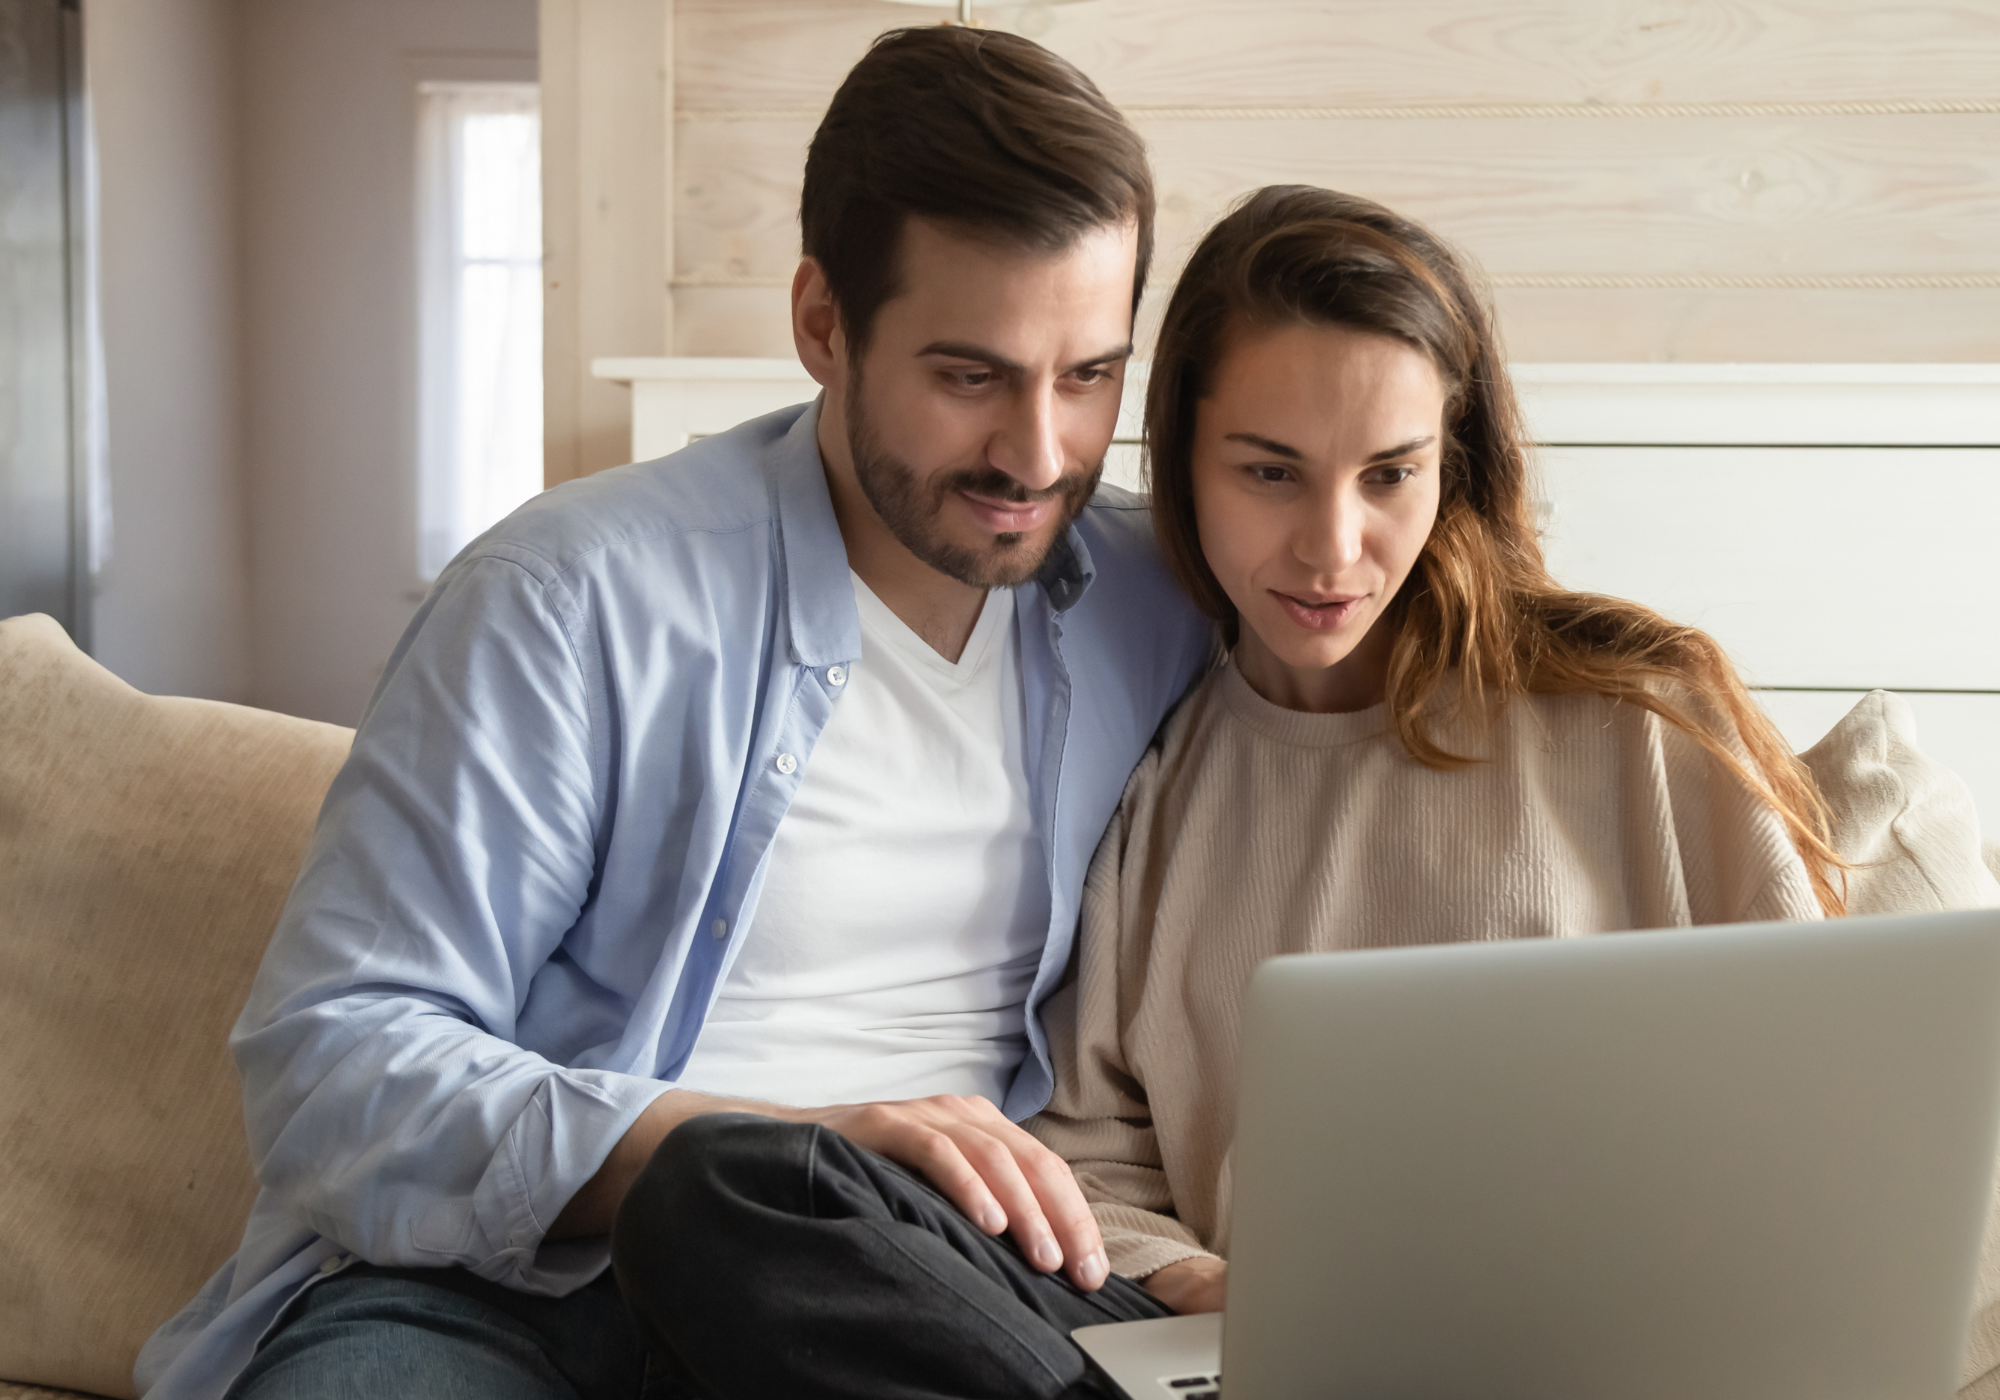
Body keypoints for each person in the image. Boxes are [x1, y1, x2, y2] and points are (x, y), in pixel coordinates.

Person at [135, 27, 1214, 1400]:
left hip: (913, 1292)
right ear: (823, 322)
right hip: (514, 1292)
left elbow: (1403, 630)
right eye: (970, 375)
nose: (1039, 453)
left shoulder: (1154, 596)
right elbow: (336, 1069)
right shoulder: (570, 598)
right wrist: (767, 1145)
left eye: (1090, 376)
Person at [1024, 183, 1848, 1317]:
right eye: (1268, 470)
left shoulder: (1637, 725)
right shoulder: (1150, 788)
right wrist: (1211, 1288)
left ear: (1449, 463)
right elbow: (1088, 1157)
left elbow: (1823, 1091)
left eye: (1389, 473)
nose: (1330, 547)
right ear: (1178, 458)